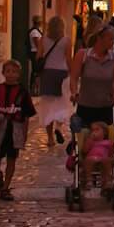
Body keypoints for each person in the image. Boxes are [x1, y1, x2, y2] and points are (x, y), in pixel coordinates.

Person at [0, 59, 37, 201]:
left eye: (14, 71)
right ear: (3, 73)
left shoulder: (23, 92)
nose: (11, 74)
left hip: (15, 129)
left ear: (18, 74)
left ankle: (6, 187)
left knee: (11, 158)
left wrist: (25, 134)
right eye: (8, 71)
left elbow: (26, 115)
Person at [69, 25, 114, 137]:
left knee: (106, 144)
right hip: (86, 106)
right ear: (100, 39)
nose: (113, 42)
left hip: (106, 107)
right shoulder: (83, 55)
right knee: (83, 142)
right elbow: (74, 77)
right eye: (110, 39)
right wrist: (74, 92)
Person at [37, 17, 73, 145]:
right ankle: (58, 127)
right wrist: (73, 73)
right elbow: (68, 59)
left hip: (47, 73)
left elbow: (39, 56)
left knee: (47, 104)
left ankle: (50, 138)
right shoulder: (66, 41)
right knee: (62, 102)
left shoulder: (43, 39)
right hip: (61, 73)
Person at [81, 120, 114, 190]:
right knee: (89, 160)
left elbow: (111, 153)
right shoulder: (91, 141)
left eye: (97, 130)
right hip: (91, 158)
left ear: (105, 132)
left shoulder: (108, 142)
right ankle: (89, 179)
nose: (94, 132)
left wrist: (112, 159)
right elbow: (84, 150)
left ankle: (107, 180)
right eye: (92, 130)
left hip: (103, 158)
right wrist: (90, 140)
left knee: (107, 160)